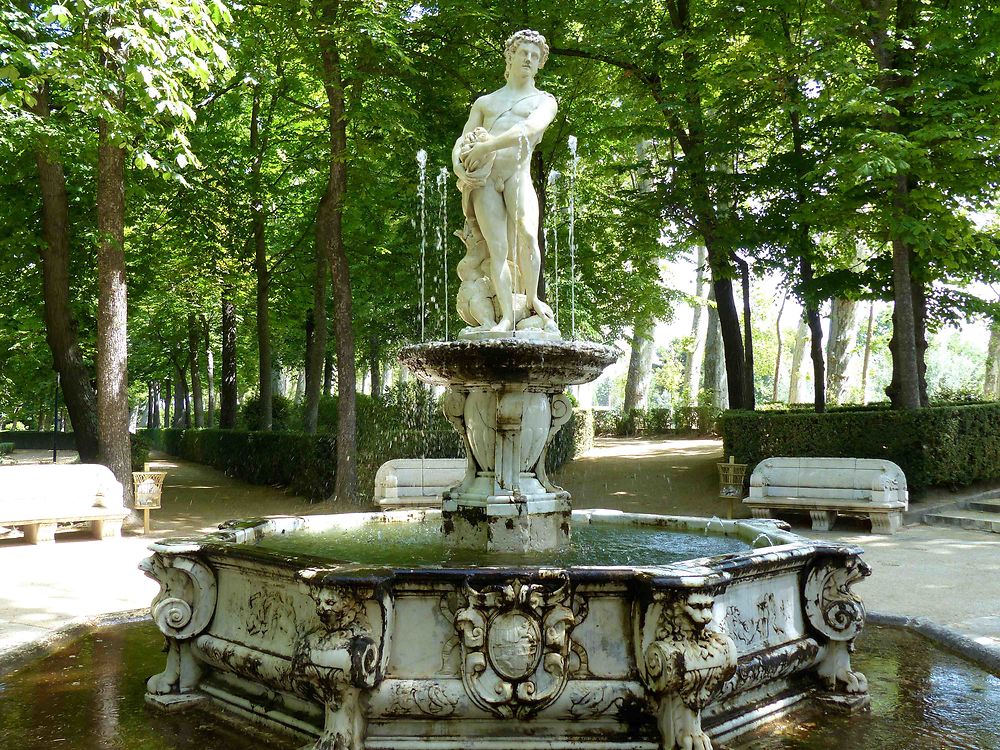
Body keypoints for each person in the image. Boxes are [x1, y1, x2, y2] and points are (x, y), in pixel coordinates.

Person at [453, 29, 558, 335]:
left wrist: (487, 145)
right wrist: (460, 168)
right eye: (523, 53)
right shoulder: (485, 103)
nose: (529, 59)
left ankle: (534, 299)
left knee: (527, 235)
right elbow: (461, 142)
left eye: (535, 56)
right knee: (498, 250)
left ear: (540, 64)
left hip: (517, 174)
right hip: (484, 180)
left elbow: (530, 128)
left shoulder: (544, 100)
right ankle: (506, 320)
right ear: (510, 57)